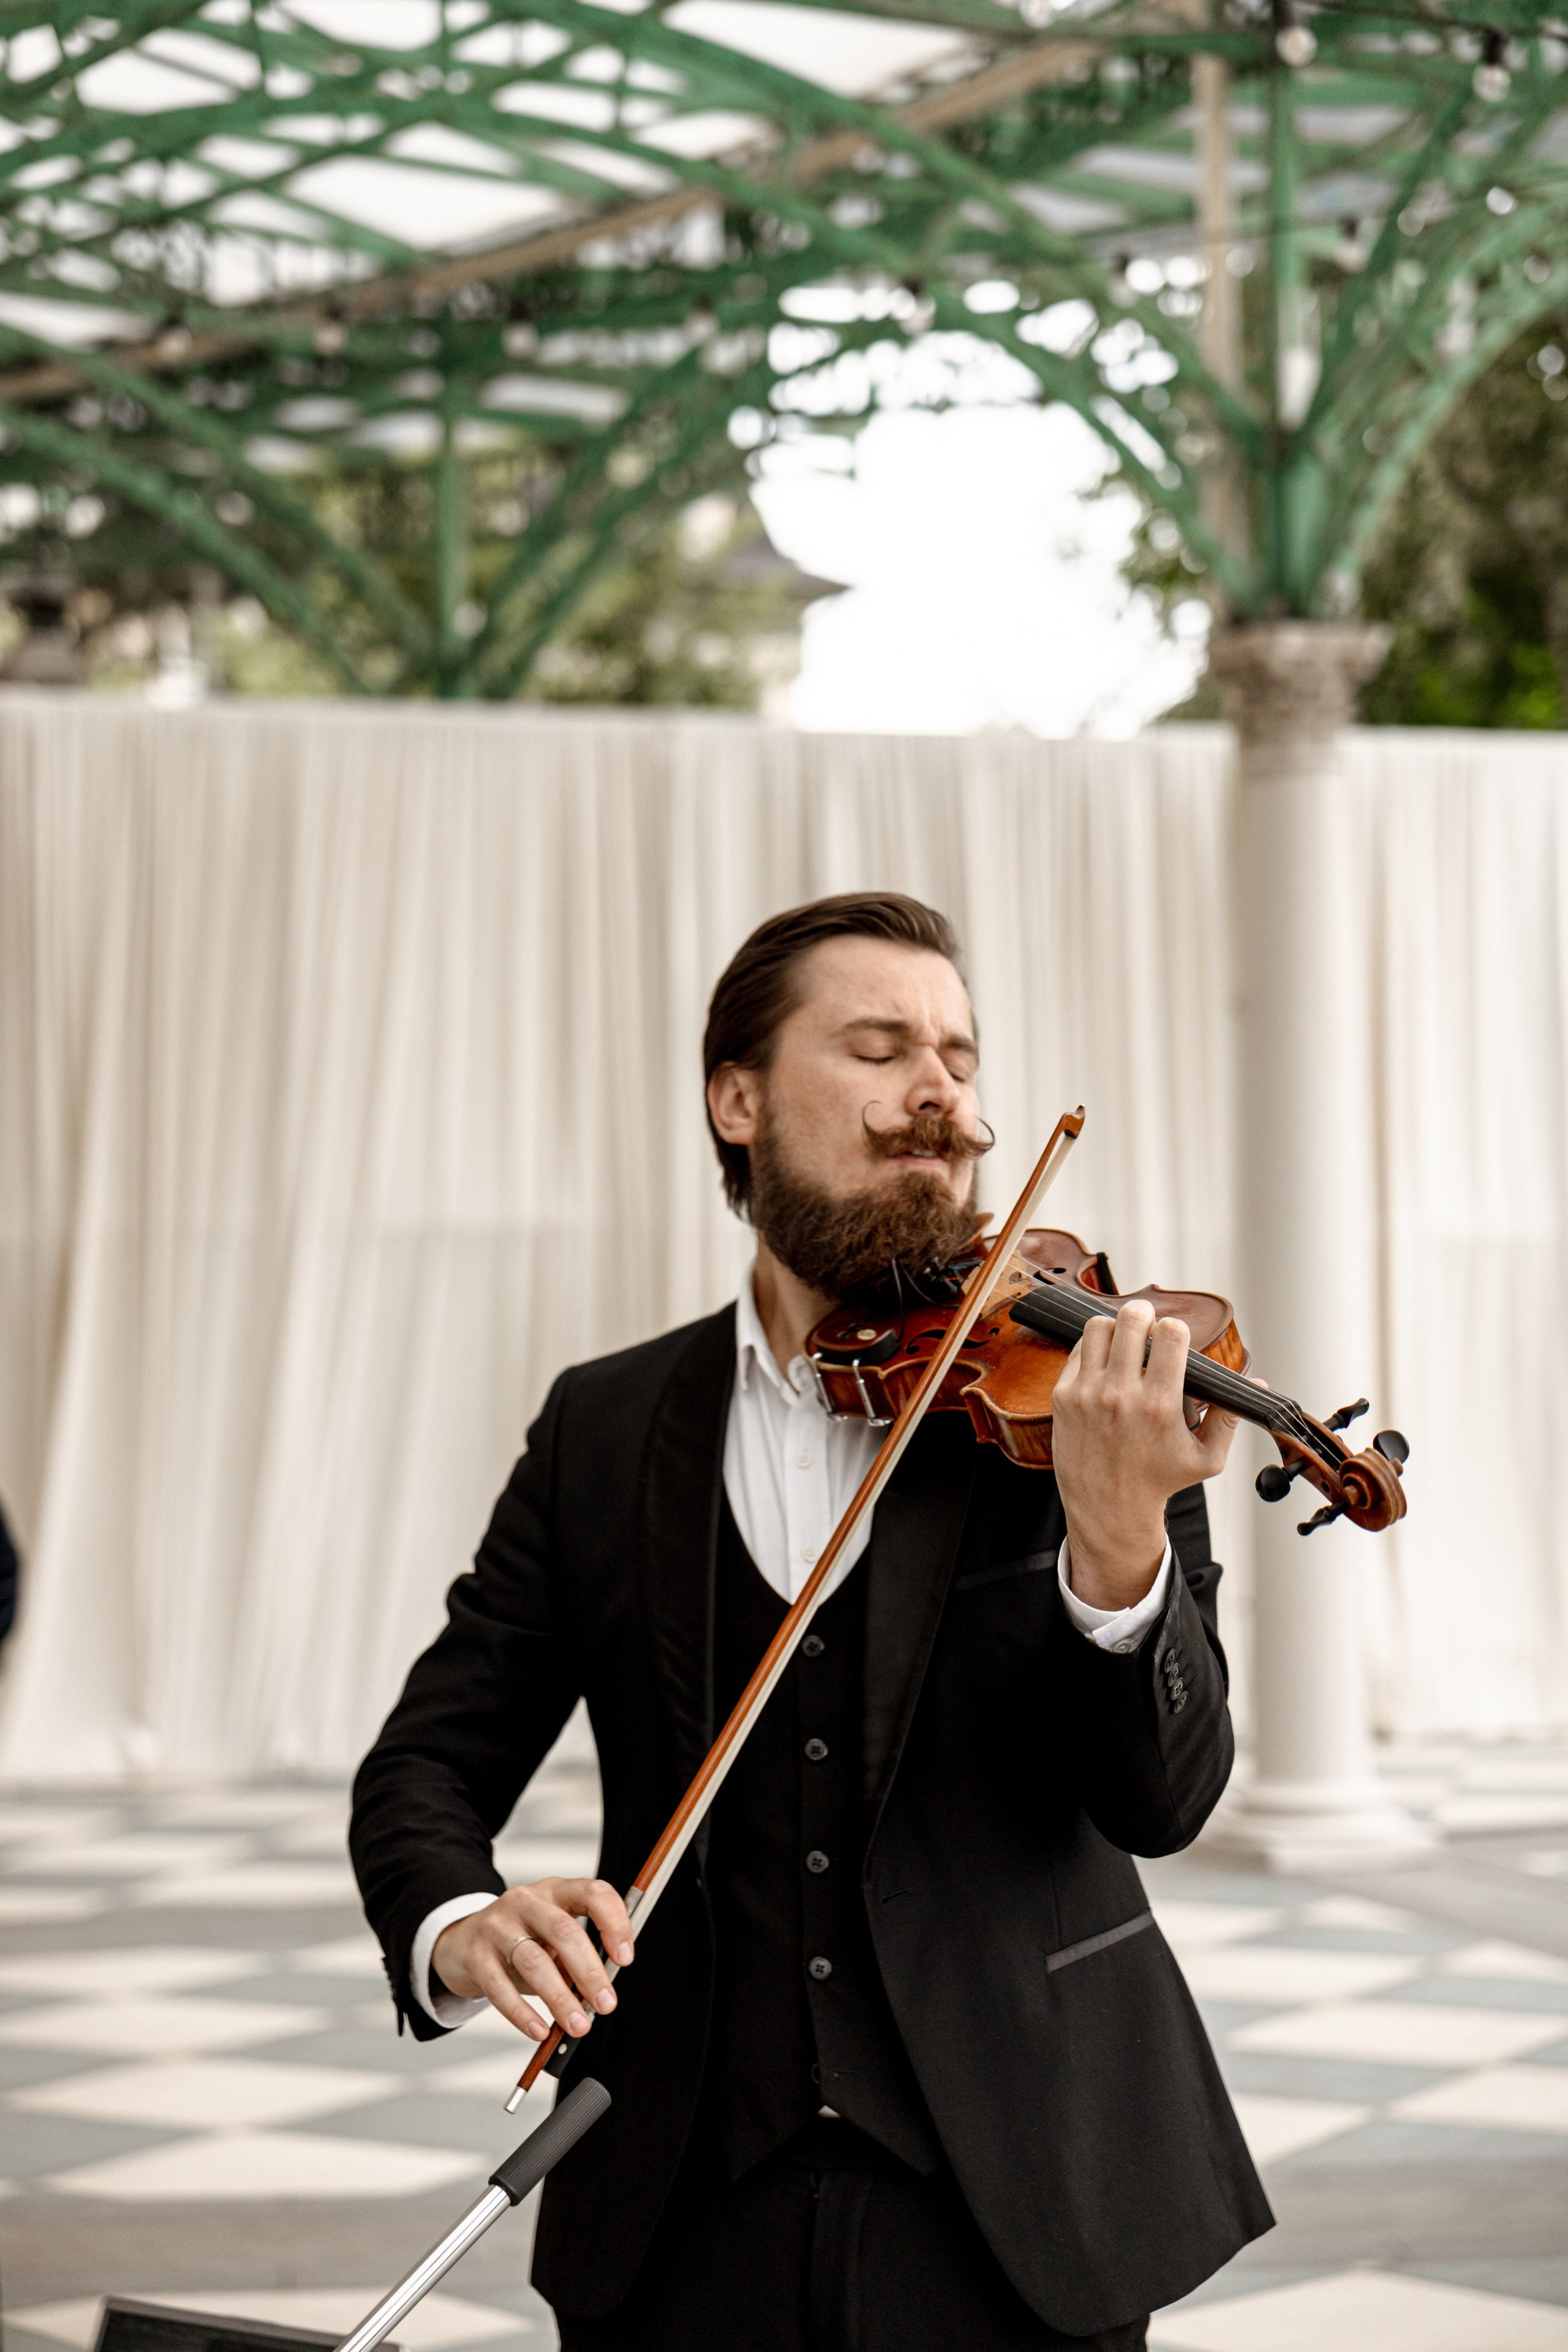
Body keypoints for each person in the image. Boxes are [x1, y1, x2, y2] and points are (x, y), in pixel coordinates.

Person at [350, 892, 1272, 2352]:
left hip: (1025, 2186)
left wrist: (1114, 1541)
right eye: (881, 1047)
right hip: (672, 2195)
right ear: (738, 1100)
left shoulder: (1076, 1390)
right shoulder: (602, 1427)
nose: (946, 1104)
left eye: (962, 1063)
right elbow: (425, 1768)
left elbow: (1165, 1798)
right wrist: (463, 1926)